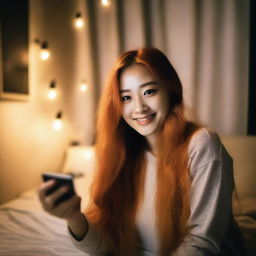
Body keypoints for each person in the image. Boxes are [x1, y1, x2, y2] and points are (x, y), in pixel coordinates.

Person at [38, 48, 246, 256]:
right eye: (126, 98)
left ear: (170, 91)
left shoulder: (202, 143)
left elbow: (201, 244)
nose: (139, 108)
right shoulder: (122, 154)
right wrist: (74, 217)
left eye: (149, 92)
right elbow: (105, 245)